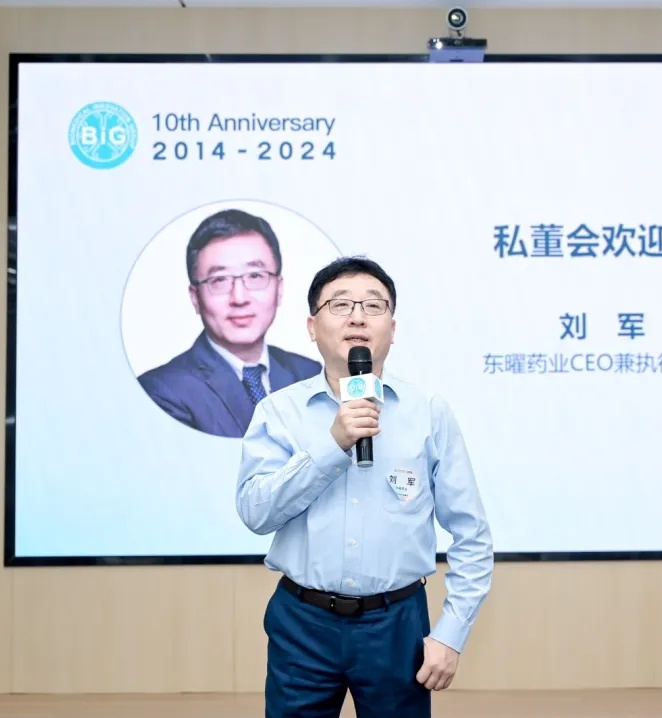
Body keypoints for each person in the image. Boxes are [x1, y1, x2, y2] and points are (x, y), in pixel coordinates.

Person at [235, 256, 493, 718]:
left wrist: (451, 634)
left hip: (396, 624)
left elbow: (471, 535)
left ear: (392, 329)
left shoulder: (427, 412)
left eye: (373, 306)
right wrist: (333, 445)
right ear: (312, 327)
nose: (357, 317)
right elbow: (256, 513)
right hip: (303, 622)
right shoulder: (279, 412)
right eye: (340, 305)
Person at [138, 208, 321, 438]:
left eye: (255, 276)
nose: (239, 298)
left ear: (279, 289)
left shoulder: (309, 373)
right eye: (219, 280)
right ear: (195, 297)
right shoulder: (162, 391)